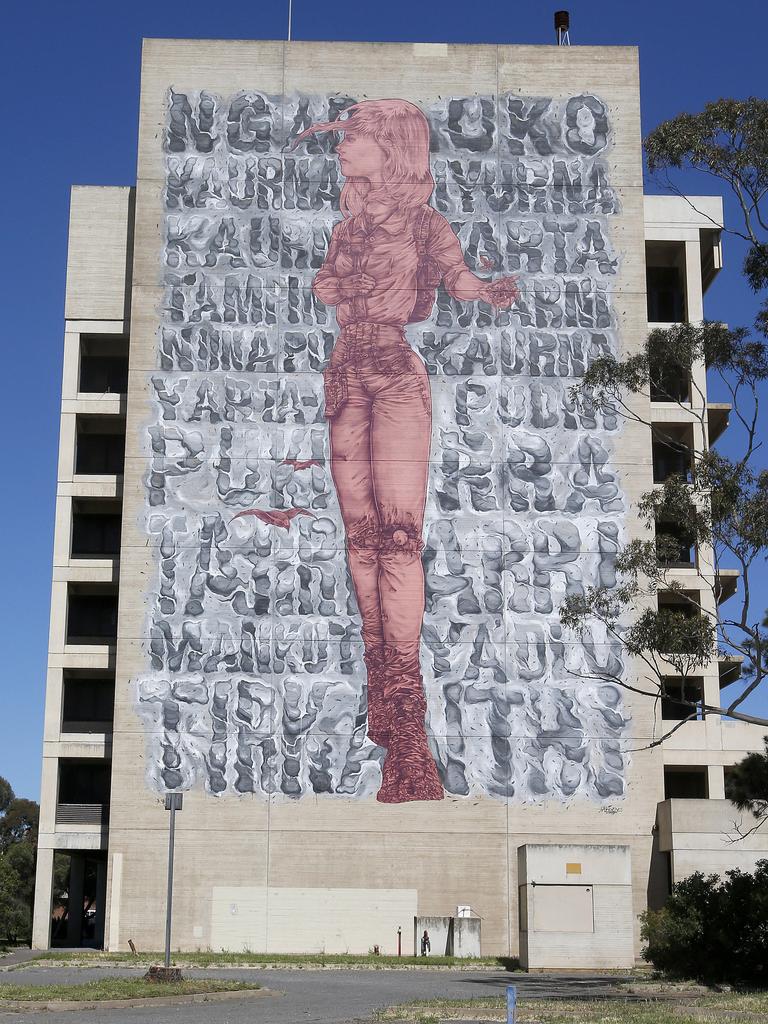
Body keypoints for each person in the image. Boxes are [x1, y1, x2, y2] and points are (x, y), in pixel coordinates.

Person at [295, 99, 517, 803]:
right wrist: (333, 283)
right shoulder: (346, 228)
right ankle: (381, 686)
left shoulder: (425, 224)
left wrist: (483, 290)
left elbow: (456, 277)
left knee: (398, 535)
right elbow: (327, 283)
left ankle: (405, 702)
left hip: (393, 373)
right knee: (360, 538)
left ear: (389, 148)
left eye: (352, 139)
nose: (342, 150)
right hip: (345, 372)